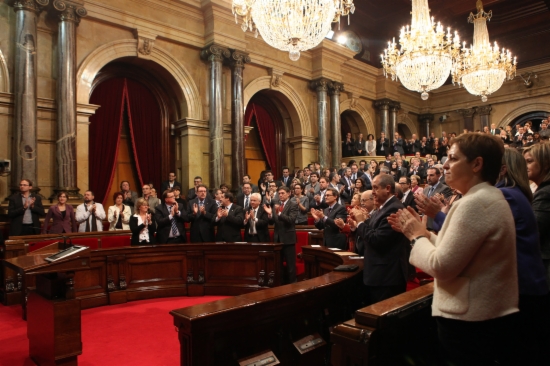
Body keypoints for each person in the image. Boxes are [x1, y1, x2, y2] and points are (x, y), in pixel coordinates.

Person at [390, 133, 519, 365]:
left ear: (477, 164)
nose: (445, 165)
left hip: (470, 321)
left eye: (452, 158)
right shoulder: (485, 197)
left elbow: (442, 266)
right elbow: (458, 248)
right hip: (482, 315)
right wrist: (425, 233)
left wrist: (415, 237)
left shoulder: (474, 203)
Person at [497, 148, 550, 364]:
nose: (526, 165)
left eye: (531, 160)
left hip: (532, 277)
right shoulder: (526, 192)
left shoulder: (512, 193)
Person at [350, 174, 410, 305]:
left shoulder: (394, 208)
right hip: (380, 274)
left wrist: (360, 222)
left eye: (375, 188)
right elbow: (372, 231)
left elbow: (377, 240)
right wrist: (360, 223)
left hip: (387, 276)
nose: (373, 192)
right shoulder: (383, 208)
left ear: (387, 188)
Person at [524, 143, 550, 289]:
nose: (525, 166)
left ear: (545, 164)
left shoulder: (546, 192)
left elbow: (534, 230)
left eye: (529, 161)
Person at [265, 186, 299, 283]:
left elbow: (291, 220)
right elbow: (272, 222)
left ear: (289, 193)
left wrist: (279, 213)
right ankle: (280, 286)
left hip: (288, 239)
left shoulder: (293, 204)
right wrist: (270, 215)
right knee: (278, 265)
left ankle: (292, 286)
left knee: (290, 266)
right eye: (279, 193)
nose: (280, 195)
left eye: (283, 193)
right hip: (277, 239)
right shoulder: (276, 204)